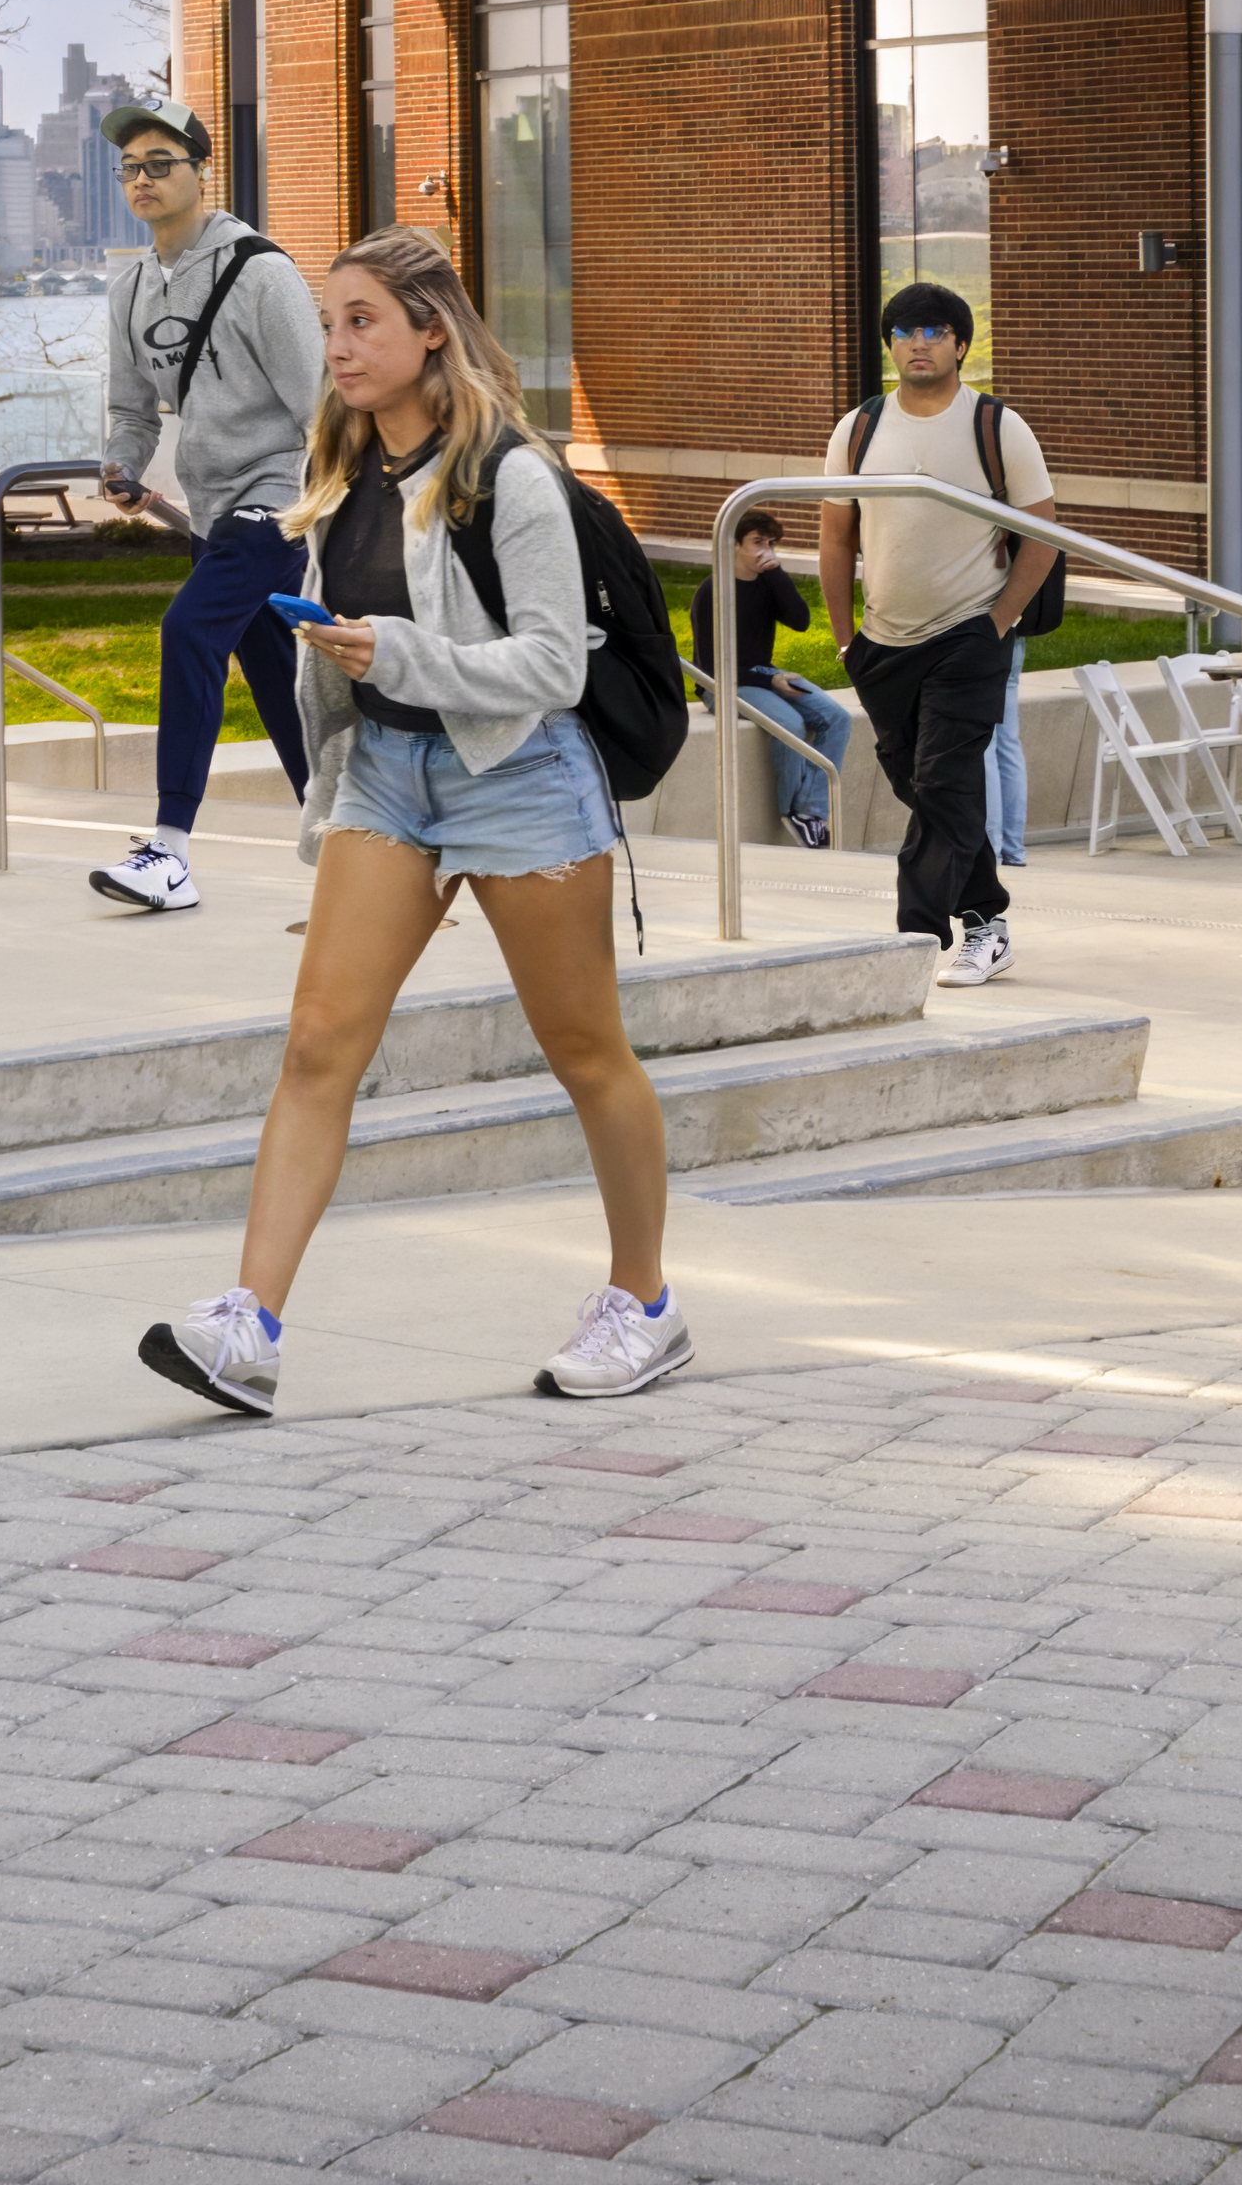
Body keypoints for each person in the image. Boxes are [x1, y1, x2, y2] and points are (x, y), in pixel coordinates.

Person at [134, 225, 692, 1415]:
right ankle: (248, 1327)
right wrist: (346, 652)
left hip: (519, 777)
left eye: (359, 322)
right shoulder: (338, 466)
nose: (333, 345)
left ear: (430, 329)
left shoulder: (511, 472)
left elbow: (548, 662)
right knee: (316, 1042)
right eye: (330, 321)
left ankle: (643, 1302)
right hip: (387, 771)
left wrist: (395, 646)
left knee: (584, 1050)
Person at [82, 101, 320, 922]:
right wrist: (121, 464)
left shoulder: (261, 272)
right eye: (130, 169)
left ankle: (169, 852)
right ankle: (356, 842)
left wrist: (332, 515)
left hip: (278, 499)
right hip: (214, 512)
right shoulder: (133, 287)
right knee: (280, 684)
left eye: (159, 163)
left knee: (187, 632)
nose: (142, 180)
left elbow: (320, 406)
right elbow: (134, 410)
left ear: (199, 171)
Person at [823, 284, 1058, 990]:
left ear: (960, 343)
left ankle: (918, 938)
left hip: (967, 633)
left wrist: (997, 622)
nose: (917, 341)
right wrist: (845, 641)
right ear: (890, 344)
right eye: (902, 329)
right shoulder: (859, 428)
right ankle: (989, 920)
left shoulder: (996, 425)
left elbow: (1042, 535)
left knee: (943, 780)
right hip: (881, 642)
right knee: (924, 789)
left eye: (932, 329)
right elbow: (837, 537)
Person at [705, 538, 856, 834]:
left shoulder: (766, 584)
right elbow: (708, 668)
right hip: (720, 684)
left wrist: (777, 574)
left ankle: (811, 810)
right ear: (735, 545)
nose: (766, 550)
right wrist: (769, 680)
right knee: (790, 724)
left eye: (771, 543)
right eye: (757, 542)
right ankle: (790, 811)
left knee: (838, 718)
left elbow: (801, 621)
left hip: (764, 672)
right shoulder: (712, 591)